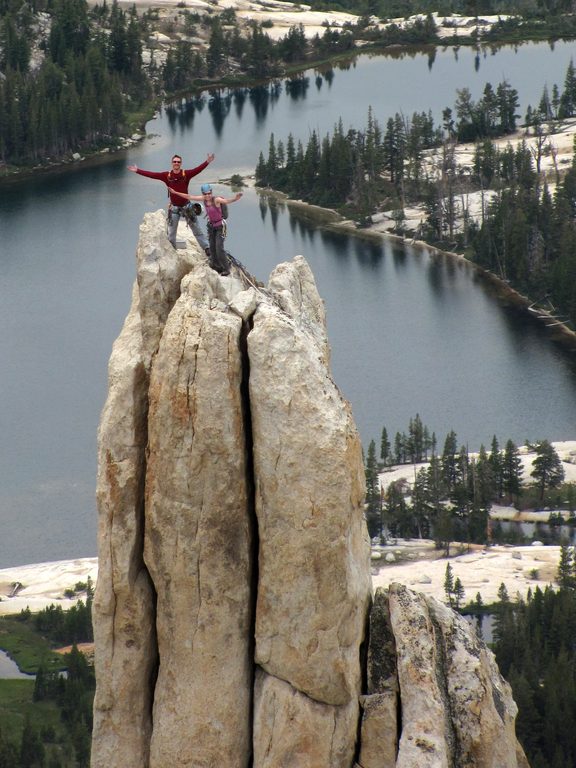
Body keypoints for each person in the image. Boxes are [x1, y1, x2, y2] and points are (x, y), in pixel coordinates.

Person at [127, 153, 215, 251]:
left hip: (186, 206)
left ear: (181, 163)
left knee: (197, 230)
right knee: (172, 233)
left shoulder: (186, 174)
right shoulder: (167, 176)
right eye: (174, 162)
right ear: (172, 163)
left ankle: (207, 248)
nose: (176, 163)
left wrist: (207, 162)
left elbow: (198, 169)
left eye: (178, 162)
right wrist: (137, 171)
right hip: (175, 208)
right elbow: (152, 175)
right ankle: (172, 250)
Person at [168, 183, 243, 276]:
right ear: (203, 194)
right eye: (205, 194)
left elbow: (226, 201)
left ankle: (226, 269)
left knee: (219, 248)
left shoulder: (216, 200)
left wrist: (235, 198)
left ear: (211, 192)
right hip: (211, 227)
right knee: (212, 248)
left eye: (209, 193)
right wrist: (175, 192)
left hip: (220, 227)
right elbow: (189, 196)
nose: (207, 195)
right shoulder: (204, 199)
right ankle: (216, 266)